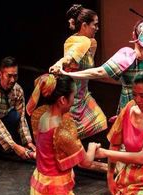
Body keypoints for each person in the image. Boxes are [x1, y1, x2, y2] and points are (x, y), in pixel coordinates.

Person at [62, 21, 143, 114]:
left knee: (129, 140)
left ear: (133, 35)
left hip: (132, 111)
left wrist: (68, 74)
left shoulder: (126, 56)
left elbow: (99, 72)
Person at [49, 4, 107, 139]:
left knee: (99, 121)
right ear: (84, 25)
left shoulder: (91, 42)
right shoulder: (80, 42)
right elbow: (68, 58)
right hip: (72, 99)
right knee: (66, 136)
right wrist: (58, 65)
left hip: (83, 95)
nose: (97, 28)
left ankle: (72, 150)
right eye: (95, 25)